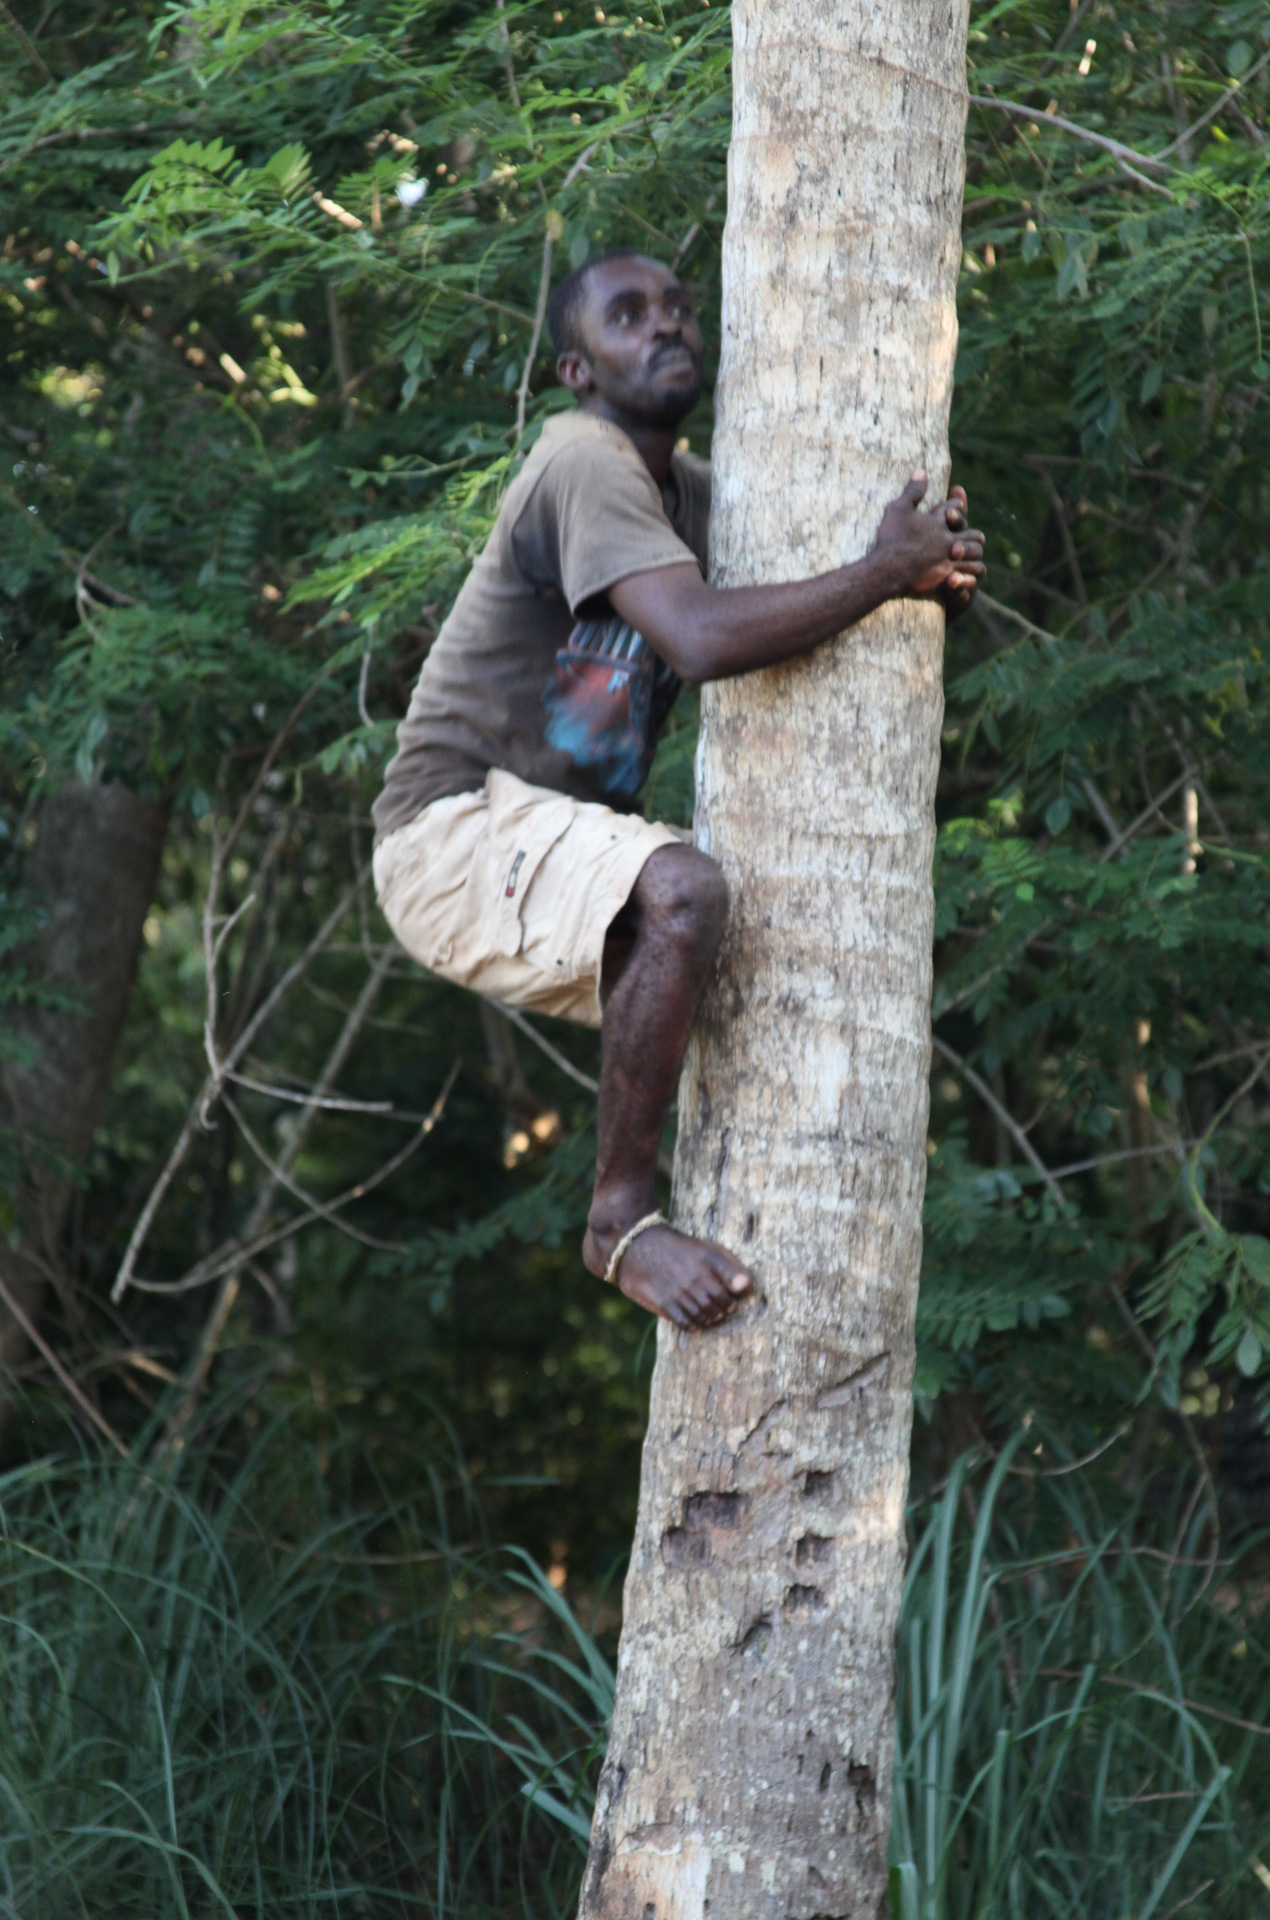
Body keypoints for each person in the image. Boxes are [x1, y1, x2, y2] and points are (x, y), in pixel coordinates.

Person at [372, 249, 985, 1333]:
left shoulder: (697, 495)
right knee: (683, 891)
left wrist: (923, 580)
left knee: (737, 954)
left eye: (677, 308)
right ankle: (616, 1222)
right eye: (627, 315)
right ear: (577, 370)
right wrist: (880, 574)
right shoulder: (582, 459)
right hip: (452, 832)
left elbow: (785, 607)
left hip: (552, 835)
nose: (665, 326)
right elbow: (700, 640)